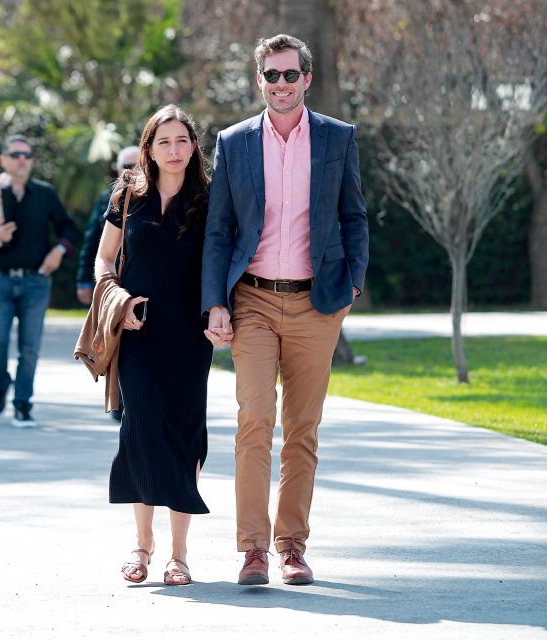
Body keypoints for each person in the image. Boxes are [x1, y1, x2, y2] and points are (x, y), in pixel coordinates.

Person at [201, 34, 369, 586]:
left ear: (306, 79)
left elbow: (354, 216)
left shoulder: (338, 137)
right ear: (259, 80)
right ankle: (252, 549)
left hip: (316, 304)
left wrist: (352, 286)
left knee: (302, 429)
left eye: (289, 74)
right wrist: (215, 302)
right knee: (254, 420)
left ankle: (291, 546)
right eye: (270, 75)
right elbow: (219, 229)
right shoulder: (234, 141)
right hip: (251, 298)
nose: (280, 84)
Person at [95, 105, 212, 585]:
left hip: (190, 336)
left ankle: (179, 555)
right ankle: (142, 544)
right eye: (163, 141)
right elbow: (104, 258)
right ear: (149, 148)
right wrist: (118, 301)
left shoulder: (210, 198)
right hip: (138, 334)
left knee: (184, 435)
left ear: (194, 146)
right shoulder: (127, 196)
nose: (173, 149)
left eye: (182, 140)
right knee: (140, 430)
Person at [0, 134, 78, 428]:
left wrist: (58, 252)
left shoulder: (45, 193)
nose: (22, 160)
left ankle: (23, 403)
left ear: (32, 160)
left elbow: (68, 228)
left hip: (36, 281)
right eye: (15, 155)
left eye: (27, 155)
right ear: (3, 160)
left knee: (30, 346)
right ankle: (2, 382)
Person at [76, 145, 139, 422]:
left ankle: (129, 400)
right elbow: (93, 242)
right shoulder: (109, 198)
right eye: (127, 165)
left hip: (140, 277)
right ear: (117, 168)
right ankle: (119, 400)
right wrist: (85, 280)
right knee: (115, 337)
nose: (132, 170)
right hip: (114, 279)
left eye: (137, 164)